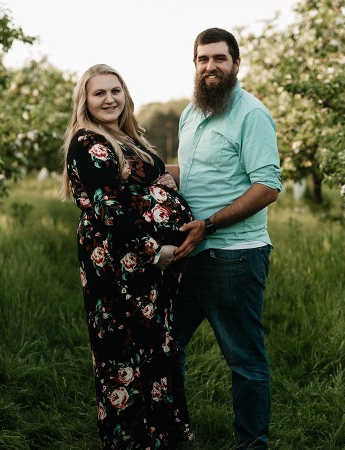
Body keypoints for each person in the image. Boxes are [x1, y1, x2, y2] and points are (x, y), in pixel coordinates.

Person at [61, 64, 195, 450]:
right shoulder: (87, 141)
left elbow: (138, 182)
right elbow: (109, 208)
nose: (109, 99)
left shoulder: (124, 136)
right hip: (118, 260)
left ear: (125, 94)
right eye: (99, 93)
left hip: (142, 264)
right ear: (85, 101)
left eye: (115, 91)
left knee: (153, 346)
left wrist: (162, 180)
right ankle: (130, 441)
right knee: (123, 351)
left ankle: (160, 435)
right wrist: (154, 251)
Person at [165, 28, 282, 450]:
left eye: (219, 58)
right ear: (195, 65)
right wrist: (150, 172)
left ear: (236, 63)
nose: (210, 66)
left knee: (245, 361)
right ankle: (171, 432)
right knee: (165, 346)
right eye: (203, 59)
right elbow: (194, 173)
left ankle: (252, 445)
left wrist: (209, 225)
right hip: (189, 253)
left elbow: (267, 186)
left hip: (234, 257)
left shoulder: (251, 114)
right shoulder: (191, 113)